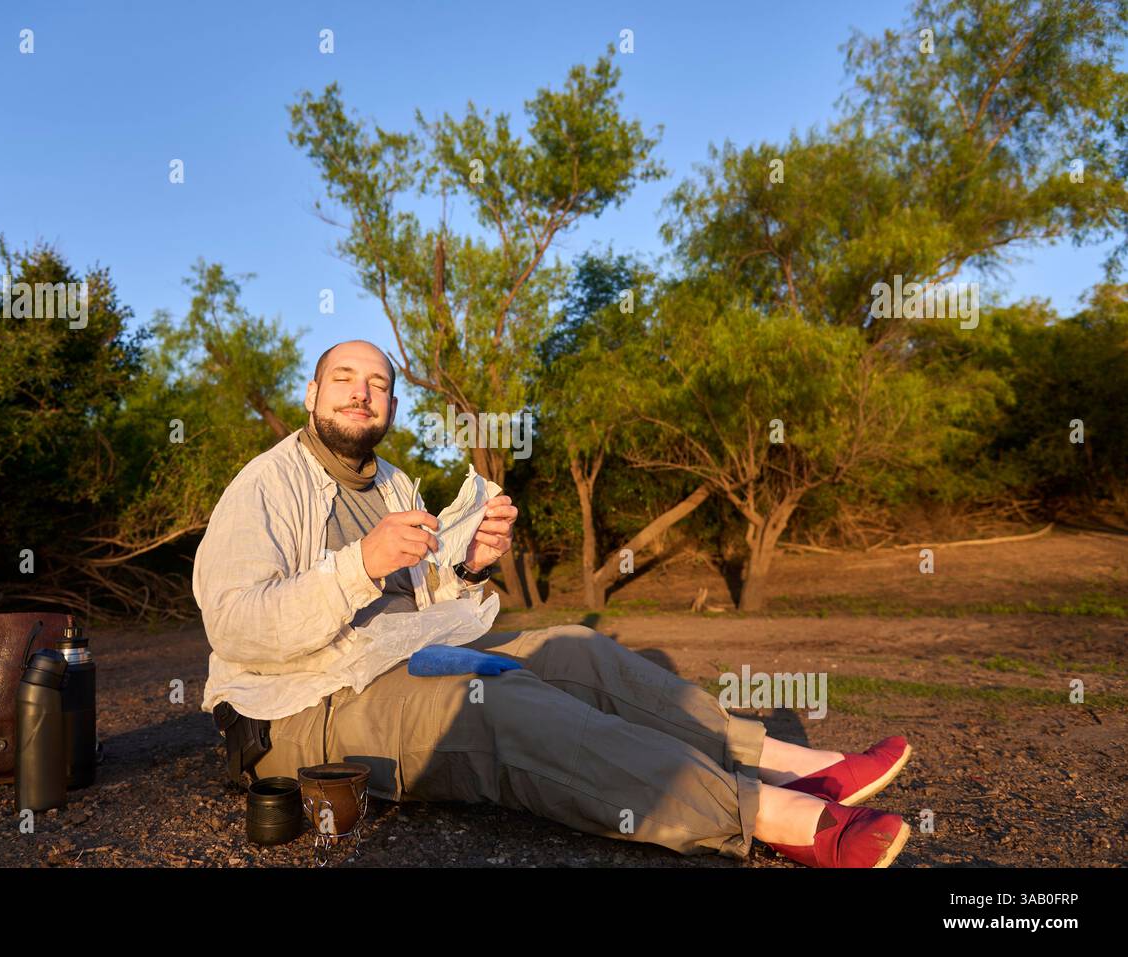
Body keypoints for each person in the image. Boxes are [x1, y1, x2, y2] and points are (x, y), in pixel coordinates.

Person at [193, 339, 914, 867]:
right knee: (496, 701)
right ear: (311, 394)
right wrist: (359, 564)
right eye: (344, 379)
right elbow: (236, 627)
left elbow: (421, 602)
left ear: (391, 405)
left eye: (378, 383)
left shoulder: (394, 484)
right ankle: (770, 812)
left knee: (575, 647)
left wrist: (467, 564)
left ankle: (787, 762)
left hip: (396, 657)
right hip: (298, 708)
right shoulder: (265, 485)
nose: (361, 393)